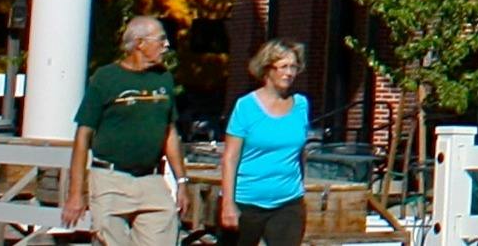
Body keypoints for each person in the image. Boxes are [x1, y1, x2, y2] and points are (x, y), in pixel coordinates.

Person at [62, 16, 189, 246]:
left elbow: (169, 132)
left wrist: (181, 181)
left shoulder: (164, 78)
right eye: (161, 39)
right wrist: (75, 193)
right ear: (139, 43)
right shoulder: (106, 78)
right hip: (111, 179)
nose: (166, 45)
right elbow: (83, 136)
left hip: (151, 179)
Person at [217, 41, 311, 246]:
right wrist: (228, 204)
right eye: (283, 67)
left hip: (287, 203)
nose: (289, 73)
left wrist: (300, 189)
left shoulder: (301, 105)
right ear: (267, 69)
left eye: (294, 67)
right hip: (246, 201)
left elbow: (300, 153)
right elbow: (230, 158)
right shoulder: (246, 106)